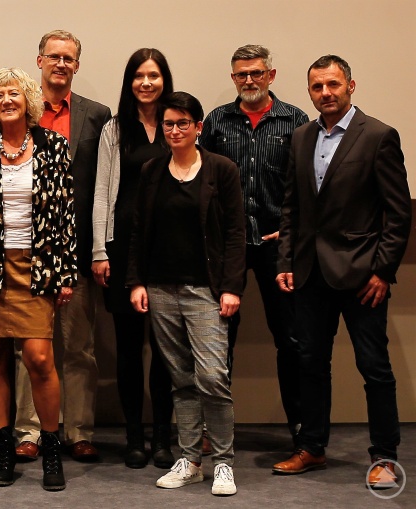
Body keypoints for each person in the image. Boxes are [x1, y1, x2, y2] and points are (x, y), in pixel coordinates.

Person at [273, 55, 411, 489]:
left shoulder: (379, 136)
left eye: (333, 84)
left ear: (351, 86)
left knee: (374, 368)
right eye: (317, 87)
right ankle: (312, 448)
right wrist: (286, 263)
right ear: (310, 91)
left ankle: (385, 458)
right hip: (310, 274)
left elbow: (398, 212)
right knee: (310, 363)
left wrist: (383, 272)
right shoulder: (299, 137)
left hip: (362, 276)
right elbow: (292, 207)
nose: (325, 93)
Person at [0, 67, 75, 491]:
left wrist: (65, 273)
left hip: (37, 267)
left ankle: (50, 449)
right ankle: (4, 448)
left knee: (40, 359)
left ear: (28, 100)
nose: (7, 100)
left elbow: (65, 216)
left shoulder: (54, 146)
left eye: (14, 94)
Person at [127, 91, 245, 496]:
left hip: (205, 290)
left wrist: (231, 287)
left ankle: (224, 463)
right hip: (160, 288)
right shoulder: (152, 171)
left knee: (213, 376)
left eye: (183, 123)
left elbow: (234, 233)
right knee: (180, 378)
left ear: (198, 127)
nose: (175, 130)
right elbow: (139, 229)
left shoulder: (221, 170)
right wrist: (137, 281)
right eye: (168, 124)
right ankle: (191, 459)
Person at [200, 44, 308, 441]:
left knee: (291, 338)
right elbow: (202, 182)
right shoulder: (216, 122)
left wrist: (292, 228)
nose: (249, 80)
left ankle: (301, 428)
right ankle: (215, 429)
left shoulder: (295, 120)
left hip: (279, 244)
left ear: (271, 76)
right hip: (228, 244)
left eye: (257, 73)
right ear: (233, 78)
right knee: (218, 338)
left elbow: (307, 184)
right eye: (241, 74)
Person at [13, 29, 111, 463]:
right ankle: (29, 431)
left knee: (78, 345)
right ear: (39, 61)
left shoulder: (98, 115)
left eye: (68, 58)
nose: (61, 64)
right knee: (30, 347)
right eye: (53, 56)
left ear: (77, 65)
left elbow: (103, 184)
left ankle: (78, 430)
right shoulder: (19, 110)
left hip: (78, 248)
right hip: (24, 249)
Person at [91, 48, 175, 468]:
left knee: (165, 350)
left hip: (169, 252)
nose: (146, 83)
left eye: (154, 75)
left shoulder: (177, 123)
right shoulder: (115, 129)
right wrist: (99, 250)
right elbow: (103, 192)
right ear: (129, 82)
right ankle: (134, 438)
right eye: (139, 76)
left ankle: (163, 437)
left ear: (165, 80)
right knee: (128, 349)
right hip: (123, 249)